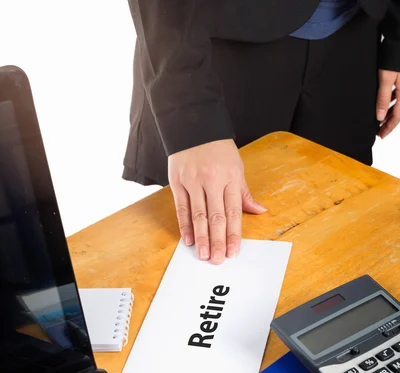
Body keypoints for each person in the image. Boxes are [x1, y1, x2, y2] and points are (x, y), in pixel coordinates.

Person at [123, 1, 400, 264]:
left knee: (334, 250)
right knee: (212, 256)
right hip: (218, 46)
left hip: (356, 42)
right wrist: (191, 116)